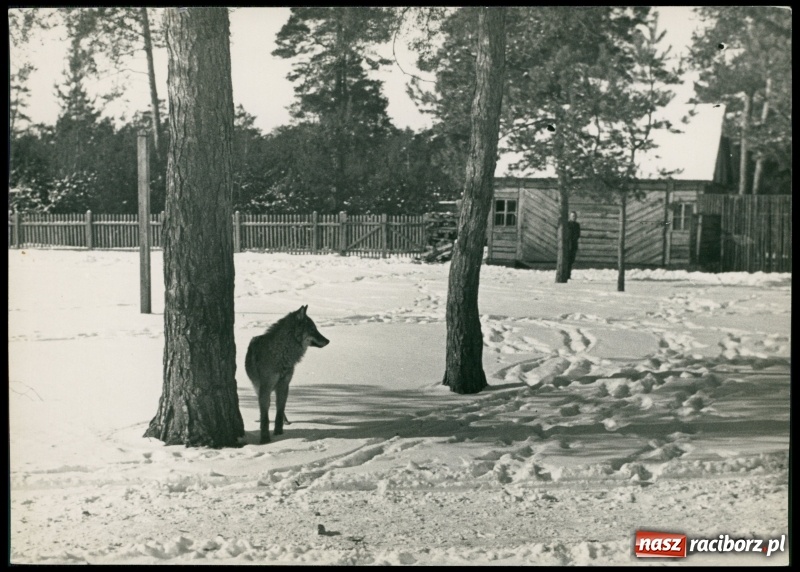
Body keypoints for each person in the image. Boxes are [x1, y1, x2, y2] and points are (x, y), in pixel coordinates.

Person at [565, 210, 581, 280]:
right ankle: (566, 275)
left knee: (571, 260)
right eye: (572, 216)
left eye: (574, 216)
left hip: (574, 244)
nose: (573, 217)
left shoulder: (577, 225)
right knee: (567, 260)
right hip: (568, 244)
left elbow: (578, 234)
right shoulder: (567, 224)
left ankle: (569, 274)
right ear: (570, 217)